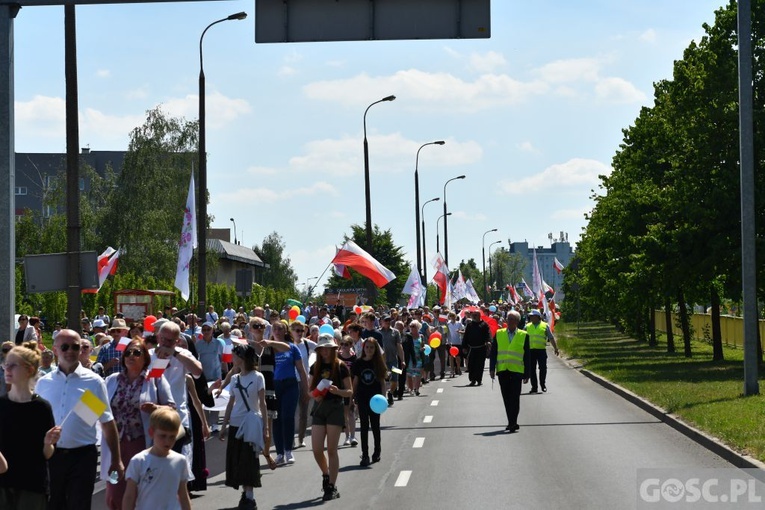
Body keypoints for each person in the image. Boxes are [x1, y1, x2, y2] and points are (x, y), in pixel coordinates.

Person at [36, 329, 123, 510]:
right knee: (53, 505)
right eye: (65, 347)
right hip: (52, 457)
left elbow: (106, 422)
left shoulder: (93, 381)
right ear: (55, 350)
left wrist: (116, 459)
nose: (70, 351)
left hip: (83, 456)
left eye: (75, 347)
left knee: (79, 505)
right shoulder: (44, 383)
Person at [102, 338, 175, 510]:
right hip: (114, 448)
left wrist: (156, 408)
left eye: (136, 352)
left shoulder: (155, 380)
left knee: (141, 491)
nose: (131, 356)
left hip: (142, 446)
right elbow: (92, 409)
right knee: (114, 491)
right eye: (127, 352)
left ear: (145, 359)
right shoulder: (111, 380)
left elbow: (172, 409)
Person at [0, 344, 58, 510]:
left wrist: (48, 443)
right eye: (5, 364)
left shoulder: (42, 408)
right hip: (3, 484)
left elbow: (48, 454)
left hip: (32, 485)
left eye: (13, 365)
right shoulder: (1, 405)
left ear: (29, 369)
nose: (7, 369)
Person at [150, 321, 203, 481]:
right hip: (154, 415)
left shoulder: (182, 354)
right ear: (158, 337)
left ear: (177, 340)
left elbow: (198, 371)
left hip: (177, 417)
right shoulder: (149, 354)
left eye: (170, 341)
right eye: (163, 339)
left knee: (177, 463)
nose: (166, 344)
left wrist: (174, 353)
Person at [219, 344, 267, 510]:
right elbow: (230, 404)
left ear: (242, 357)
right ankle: (245, 494)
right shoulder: (234, 379)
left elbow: (262, 403)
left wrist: (265, 428)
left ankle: (250, 497)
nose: (232, 358)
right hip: (235, 424)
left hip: (251, 424)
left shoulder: (258, 377)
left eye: (234, 355)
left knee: (249, 460)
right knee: (237, 460)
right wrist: (224, 426)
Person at [308, 334, 352, 501]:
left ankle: (332, 486)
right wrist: (315, 395)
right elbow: (309, 390)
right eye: (322, 349)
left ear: (333, 349)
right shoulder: (315, 367)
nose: (325, 351)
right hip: (319, 408)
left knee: (332, 450)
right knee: (317, 449)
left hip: (335, 407)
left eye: (328, 348)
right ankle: (326, 474)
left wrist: (336, 391)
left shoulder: (341, 367)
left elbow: (349, 392)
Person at [122, 408, 192, 510]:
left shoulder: (180, 461)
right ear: (151, 432)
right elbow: (129, 496)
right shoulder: (139, 461)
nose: (167, 441)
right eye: (162, 436)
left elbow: (183, 495)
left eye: (172, 437)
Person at [270, 320, 309, 466]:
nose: (277, 331)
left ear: (285, 331)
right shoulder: (268, 348)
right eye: (275, 329)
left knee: (287, 417)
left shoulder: (292, 348)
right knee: (276, 418)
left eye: (280, 329)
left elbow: (301, 370)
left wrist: (306, 389)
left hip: (290, 384)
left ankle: (288, 450)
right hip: (274, 386)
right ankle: (279, 453)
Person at [489, 310, 531, 433]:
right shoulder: (499, 333)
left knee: (515, 397)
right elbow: (494, 352)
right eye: (509, 318)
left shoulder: (524, 335)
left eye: (513, 319)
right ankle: (510, 421)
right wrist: (492, 368)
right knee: (506, 397)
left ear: (517, 321)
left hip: (517, 371)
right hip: (503, 370)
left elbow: (527, 356)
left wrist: (527, 373)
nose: (510, 321)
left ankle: (513, 422)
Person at [351, 337, 386, 466]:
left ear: (375, 349)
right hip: (362, 398)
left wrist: (384, 397)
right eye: (367, 347)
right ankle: (365, 454)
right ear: (363, 348)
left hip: (376, 399)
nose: (369, 350)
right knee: (364, 426)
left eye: (372, 347)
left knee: (375, 426)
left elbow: (382, 382)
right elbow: (355, 381)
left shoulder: (378, 362)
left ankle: (377, 452)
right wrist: (352, 397)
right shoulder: (358, 363)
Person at [289, 321, 316, 449]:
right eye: (297, 330)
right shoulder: (287, 344)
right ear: (291, 331)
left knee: (303, 412)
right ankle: (291, 438)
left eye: (302, 331)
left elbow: (320, 349)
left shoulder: (306, 343)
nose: (300, 333)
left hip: (304, 381)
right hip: (290, 381)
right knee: (291, 411)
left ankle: (301, 437)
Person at [525, 309, 559, 393]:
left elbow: (551, 337)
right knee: (532, 370)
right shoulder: (527, 326)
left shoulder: (545, 325)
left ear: (538, 317)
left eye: (532, 316)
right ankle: (534, 387)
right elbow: (522, 338)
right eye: (530, 316)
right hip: (530, 351)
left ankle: (542, 384)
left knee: (543, 368)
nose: (531, 317)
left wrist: (555, 348)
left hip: (541, 351)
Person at [379, 315, 405, 405]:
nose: (387, 322)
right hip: (382, 361)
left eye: (389, 320)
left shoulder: (396, 332)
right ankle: (383, 397)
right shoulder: (378, 332)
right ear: (381, 321)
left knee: (395, 379)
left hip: (393, 360)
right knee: (383, 379)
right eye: (385, 320)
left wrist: (402, 360)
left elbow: (399, 346)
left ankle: (391, 392)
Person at [336, 337, 357, 447]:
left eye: (347, 344)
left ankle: (353, 436)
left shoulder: (354, 358)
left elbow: (356, 375)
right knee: (344, 414)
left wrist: (355, 390)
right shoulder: (337, 357)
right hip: (340, 388)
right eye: (342, 344)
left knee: (351, 412)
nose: (344, 346)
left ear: (351, 345)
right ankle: (347, 436)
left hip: (351, 387)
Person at [463, 310, 491, 386]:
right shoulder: (469, 325)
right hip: (471, 348)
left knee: (480, 365)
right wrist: (464, 346)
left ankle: (479, 380)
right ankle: (472, 380)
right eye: (473, 315)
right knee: (471, 365)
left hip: (481, 348)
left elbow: (488, 334)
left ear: (479, 316)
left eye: (475, 315)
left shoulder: (484, 324)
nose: (474, 316)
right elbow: (465, 336)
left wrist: (488, 341)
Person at [446, 312, 464, 377]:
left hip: (458, 342)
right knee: (451, 357)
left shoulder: (459, 324)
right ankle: (452, 370)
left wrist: (460, 331)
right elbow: (446, 332)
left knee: (458, 357)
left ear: (455, 316)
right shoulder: (448, 324)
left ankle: (458, 368)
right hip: (450, 342)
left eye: (453, 316)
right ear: (449, 317)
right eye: (451, 316)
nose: (452, 317)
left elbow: (463, 331)